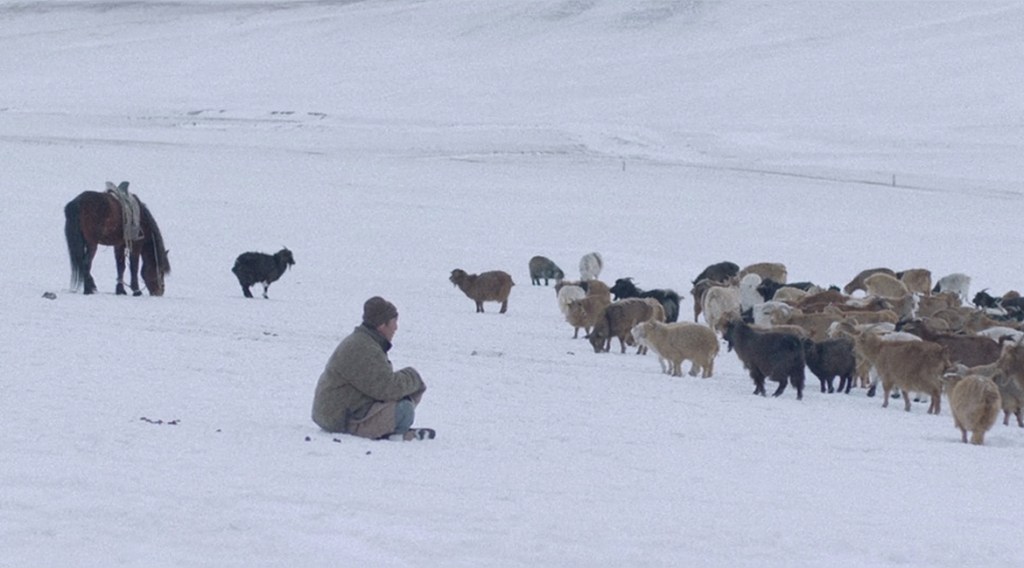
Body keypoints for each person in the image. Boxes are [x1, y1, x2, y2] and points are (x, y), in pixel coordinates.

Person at [311, 296, 434, 441]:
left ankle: (391, 430)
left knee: (402, 401)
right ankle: (391, 434)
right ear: (382, 325)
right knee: (404, 410)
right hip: (339, 419)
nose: (396, 328)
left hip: (340, 411)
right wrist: (414, 377)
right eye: (394, 322)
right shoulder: (363, 348)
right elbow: (388, 389)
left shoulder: (364, 341)